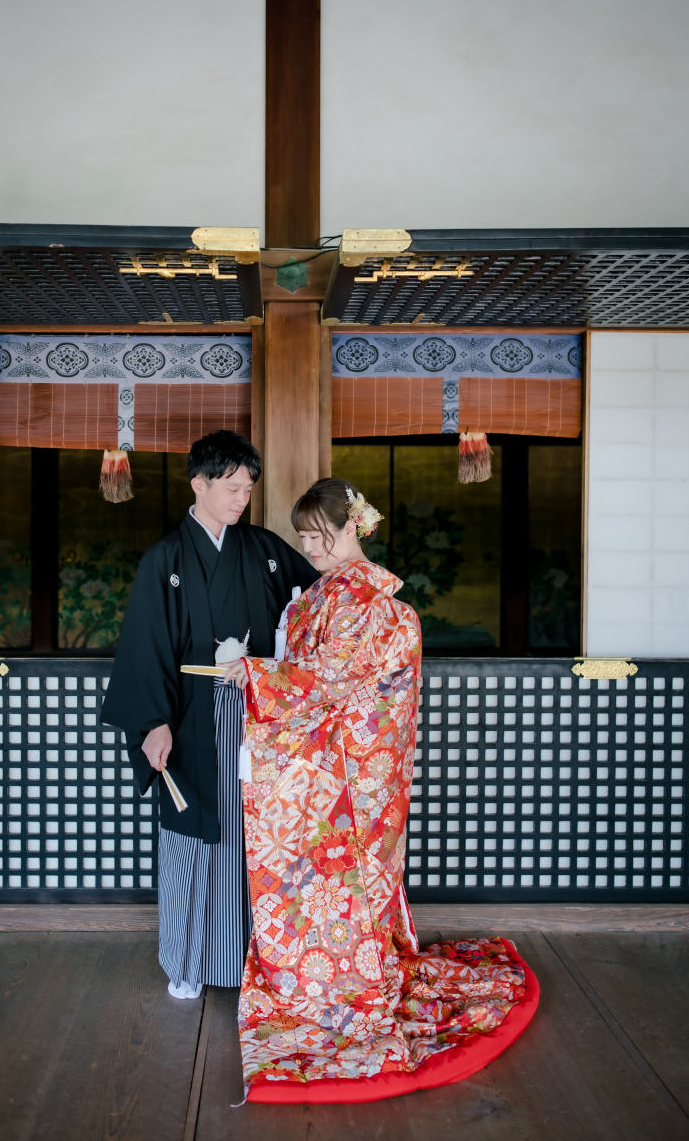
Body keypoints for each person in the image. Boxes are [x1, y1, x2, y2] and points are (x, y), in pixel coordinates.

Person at [220, 478, 533, 1102]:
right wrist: (268, 671)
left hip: (357, 775)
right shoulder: (326, 594)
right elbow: (312, 675)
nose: (310, 547)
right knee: (321, 878)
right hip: (330, 764)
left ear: (351, 528)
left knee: (349, 878)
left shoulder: (371, 602)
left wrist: (255, 673)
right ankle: (316, 979)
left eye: (319, 535)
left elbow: (329, 679)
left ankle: (344, 984)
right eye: (304, 536)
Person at [100, 430, 313, 1000]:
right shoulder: (165, 559)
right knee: (192, 839)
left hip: (259, 715)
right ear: (198, 483)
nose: (241, 497)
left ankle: (258, 966)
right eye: (230, 486)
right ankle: (188, 963)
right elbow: (145, 645)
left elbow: (318, 602)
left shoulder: (265, 550)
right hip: (190, 714)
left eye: (247, 487)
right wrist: (152, 723)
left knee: (258, 838)